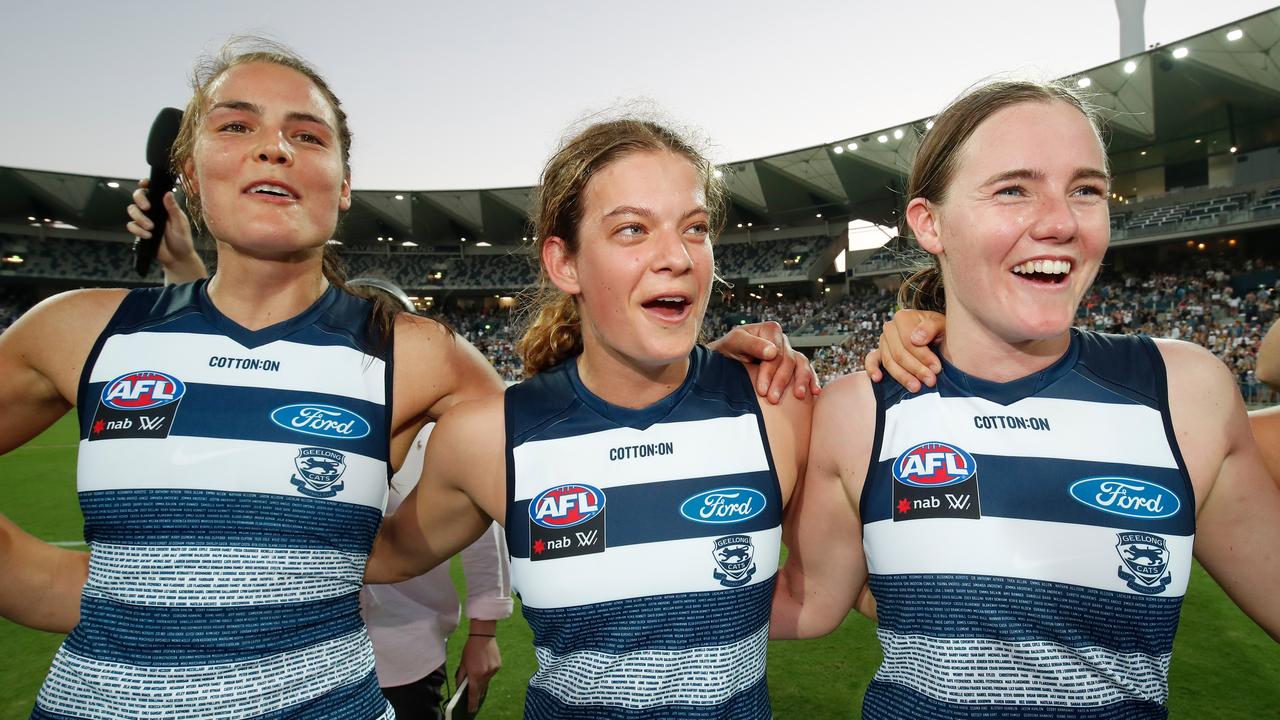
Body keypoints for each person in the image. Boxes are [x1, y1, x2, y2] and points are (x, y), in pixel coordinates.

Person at [0, 40, 811, 719]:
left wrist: (720, 366)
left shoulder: (419, 355)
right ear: (189, 167)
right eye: (236, 125)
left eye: (309, 136)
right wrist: (106, 591)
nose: (274, 147)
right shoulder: (78, 329)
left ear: (346, 187)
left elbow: (565, 441)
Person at [772, 79, 1280, 720]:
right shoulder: (859, 411)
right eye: (1014, 188)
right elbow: (817, 599)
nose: (1061, 221)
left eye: (1086, 190)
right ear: (930, 223)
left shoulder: (1184, 393)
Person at [366, 118, 812, 719]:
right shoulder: (486, 437)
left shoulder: (779, 405)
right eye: (632, 229)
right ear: (564, 263)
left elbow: (856, 586)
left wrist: (923, 336)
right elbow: (368, 557)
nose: (677, 257)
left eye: (696, 229)